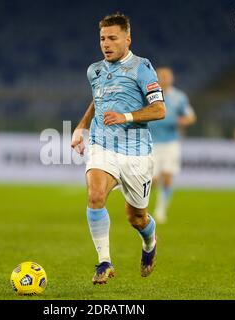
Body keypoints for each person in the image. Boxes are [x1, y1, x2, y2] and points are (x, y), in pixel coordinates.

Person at [71, 13, 166, 284]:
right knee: (95, 194)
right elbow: (98, 101)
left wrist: (125, 117)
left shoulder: (142, 67)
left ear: (127, 39)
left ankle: (150, 243)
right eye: (102, 38)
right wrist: (81, 127)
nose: (106, 44)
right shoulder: (95, 70)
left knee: (136, 217)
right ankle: (104, 262)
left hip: (137, 154)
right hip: (103, 146)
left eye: (112, 38)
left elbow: (160, 109)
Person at [150, 67, 196, 224]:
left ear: (172, 78)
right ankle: (143, 206)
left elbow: (190, 116)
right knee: (153, 180)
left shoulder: (179, 97)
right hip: (151, 142)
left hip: (171, 143)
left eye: (167, 76)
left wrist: (184, 120)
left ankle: (161, 210)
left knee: (168, 177)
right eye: (161, 76)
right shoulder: (149, 95)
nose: (164, 78)